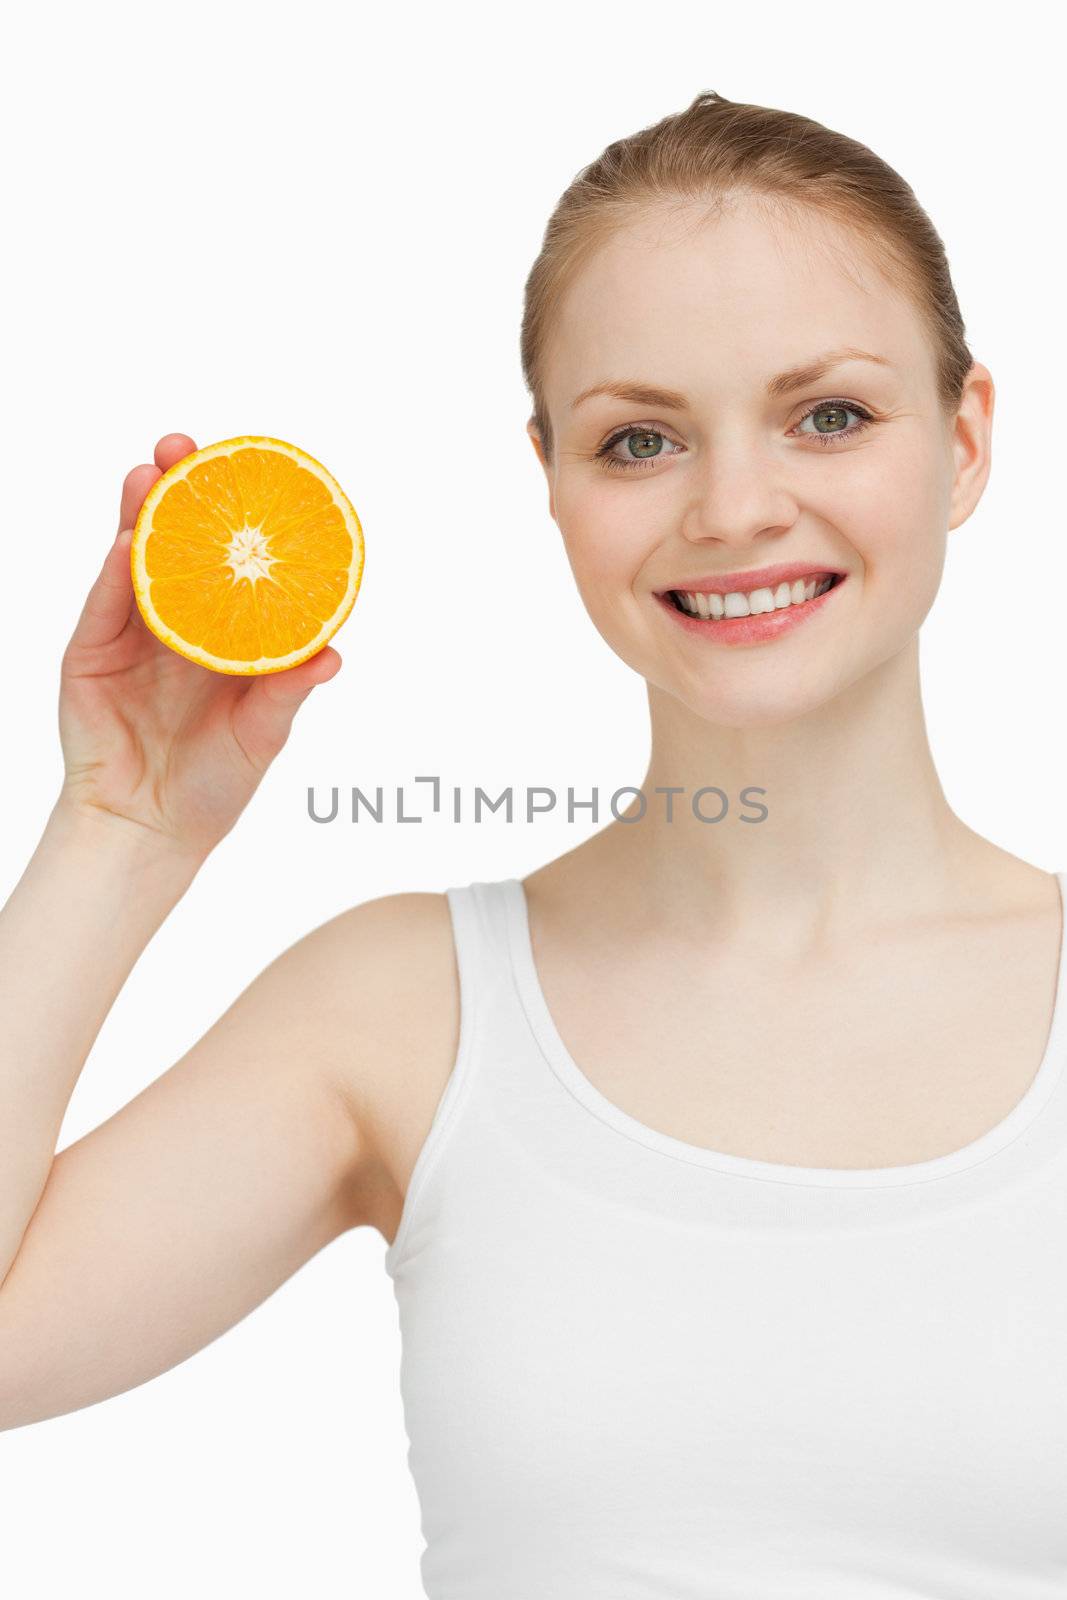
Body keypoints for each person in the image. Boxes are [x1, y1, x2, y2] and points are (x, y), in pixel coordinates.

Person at [2, 87, 1065, 1596]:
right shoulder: (407, 1007)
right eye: (640, 440)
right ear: (553, 481)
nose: (737, 507)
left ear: (961, 443)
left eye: (829, 413)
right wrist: (120, 827)